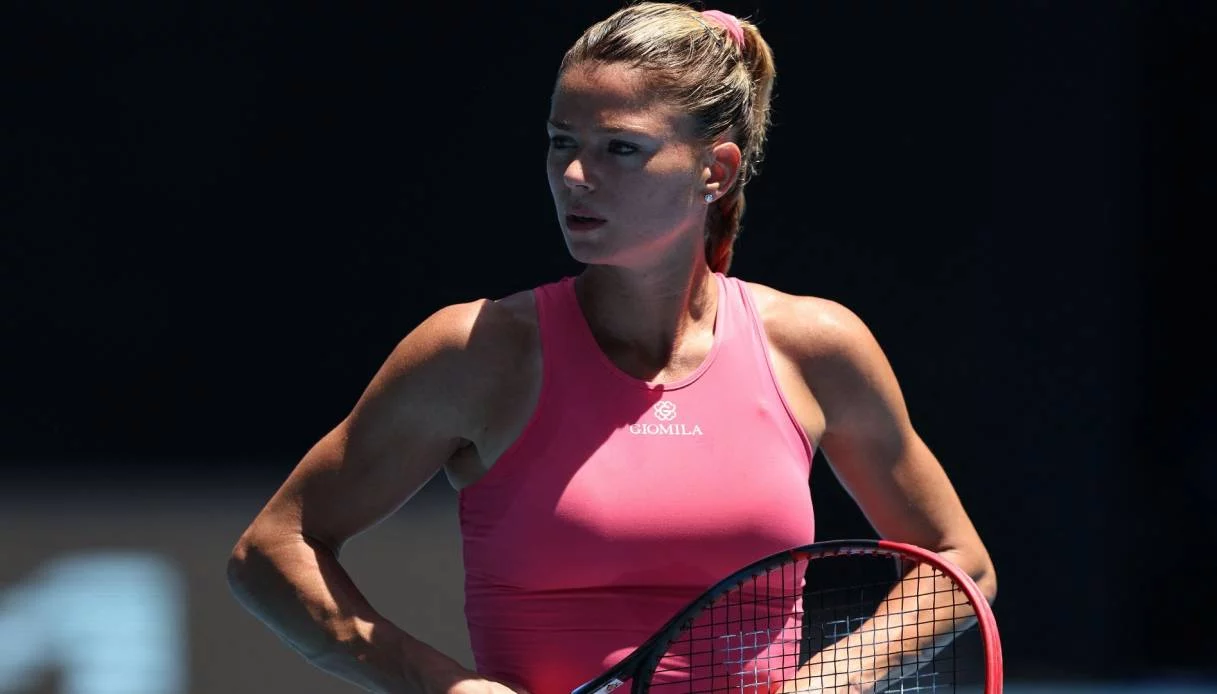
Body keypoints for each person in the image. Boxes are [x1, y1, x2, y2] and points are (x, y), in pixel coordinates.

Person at [225, 3, 997, 693]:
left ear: (715, 170)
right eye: (561, 141)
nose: (573, 175)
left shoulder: (817, 347)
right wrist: (444, 686)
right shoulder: (473, 352)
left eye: (619, 149)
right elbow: (272, 551)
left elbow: (955, 560)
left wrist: (829, 684)